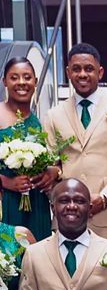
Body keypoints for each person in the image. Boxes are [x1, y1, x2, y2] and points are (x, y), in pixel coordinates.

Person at [43, 42, 107, 247]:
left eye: (89, 69)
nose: (82, 74)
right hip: (66, 219)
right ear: (68, 73)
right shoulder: (54, 115)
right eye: (76, 69)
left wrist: (105, 197)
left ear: (100, 72)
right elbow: (50, 167)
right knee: (69, 278)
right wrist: (60, 202)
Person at [0, 56, 55, 241]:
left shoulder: (41, 122)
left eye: (27, 77)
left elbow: (56, 160)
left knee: (37, 261)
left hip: (36, 204)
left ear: (36, 82)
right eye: (14, 77)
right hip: (5, 201)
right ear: (4, 81)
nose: (21, 82)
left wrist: (52, 172)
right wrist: (5, 182)